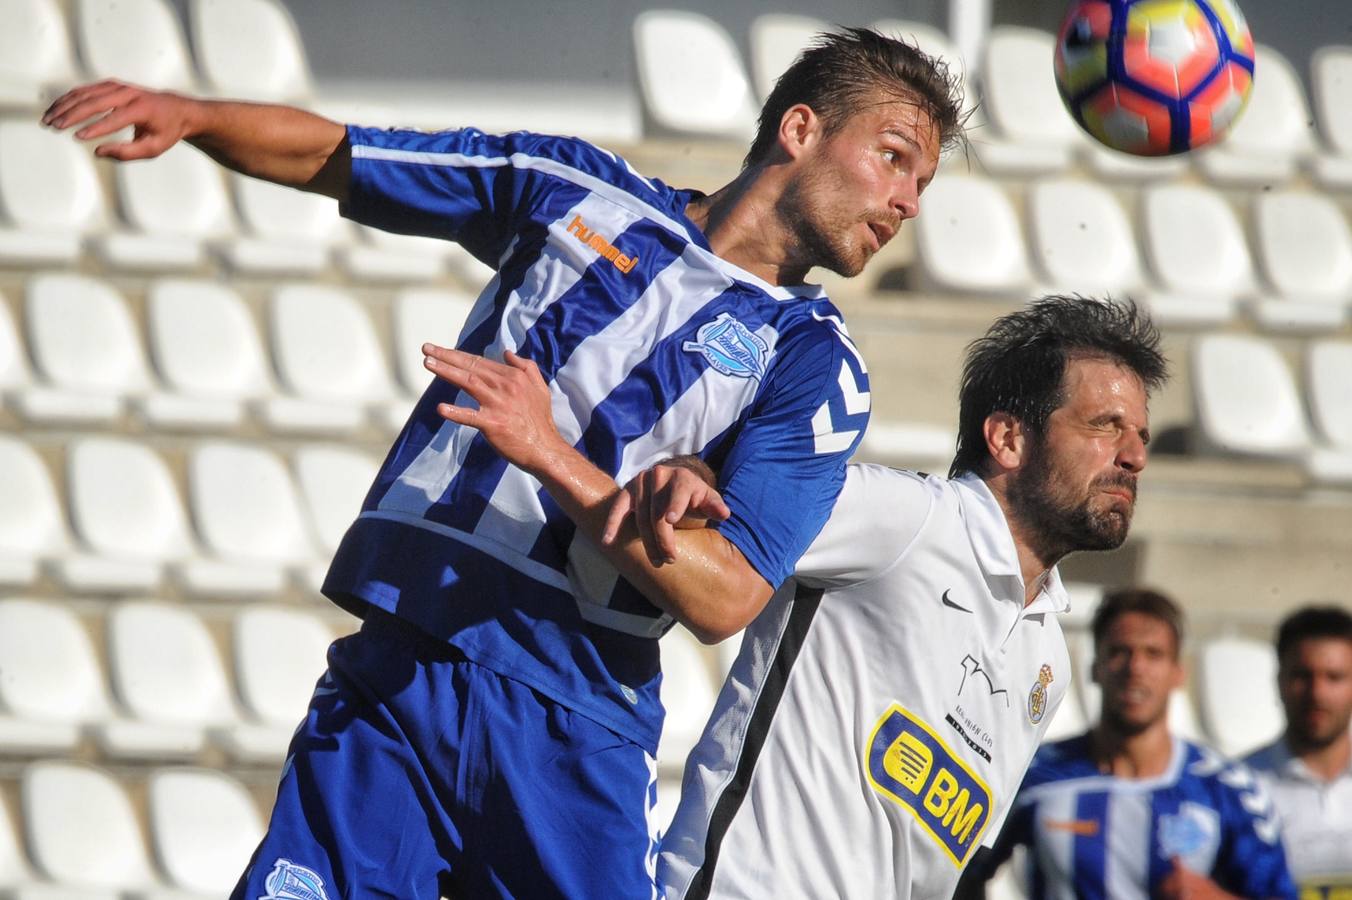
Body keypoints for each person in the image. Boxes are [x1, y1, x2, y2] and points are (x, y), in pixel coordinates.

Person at [46, 28, 963, 900]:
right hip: (403, 668)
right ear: (800, 129)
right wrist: (196, 118)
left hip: (572, 721)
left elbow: (727, 597)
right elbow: (343, 155)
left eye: (921, 182)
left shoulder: (812, 362)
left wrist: (550, 451)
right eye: (893, 157)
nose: (910, 202)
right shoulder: (576, 194)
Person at [422, 295, 1167, 897]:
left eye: (1139, 434)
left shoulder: (1050, 660)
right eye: (1105, 427)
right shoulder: (908, 520)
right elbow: (741, 501)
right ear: (1007, 439)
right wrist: (699, 474)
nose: (1133, 455)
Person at [958, 589, 1297, 900]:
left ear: (1178, 672)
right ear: (1094, 668)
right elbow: (959, 873)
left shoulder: (1227, 790)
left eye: (1153, 654)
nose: (1136, 668)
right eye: (1120, 652)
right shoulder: (1033, 774)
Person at [1244, 606, 1352, 897]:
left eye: (1334, 677)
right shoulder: (1238, 788)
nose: (1317, 693)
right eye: (1303, 676)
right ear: (1279, 681)